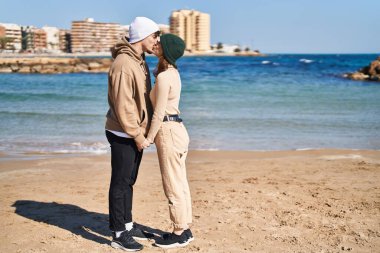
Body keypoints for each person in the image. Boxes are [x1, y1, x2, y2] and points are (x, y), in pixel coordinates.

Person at [105, 17, 159, 251]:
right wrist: (138, 135)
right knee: (120, 183)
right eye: (155, 36)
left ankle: (127, 224)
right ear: (144, 37)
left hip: (134, 131)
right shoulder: (123, 63)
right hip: (123, 132)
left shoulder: (139, 60)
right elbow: (123, 105)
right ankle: (118, 234)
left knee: (129, 181)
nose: (157, 40)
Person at [145, 34, 193, 249]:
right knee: (180, 183)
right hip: (178, 130)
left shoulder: (165, 78)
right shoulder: (172, 73)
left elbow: (158, 113)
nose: (155, 44)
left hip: (168, 131)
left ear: (166, 50)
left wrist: (148, 138)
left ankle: (179, 232)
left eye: (159, 44)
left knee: (172, 185)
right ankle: (185, 228)